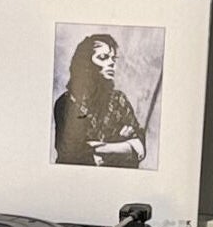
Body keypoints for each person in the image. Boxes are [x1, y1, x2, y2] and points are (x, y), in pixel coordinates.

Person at [52, 33, 147, 168]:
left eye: (113, 59)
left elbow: (140, 147)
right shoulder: (66, 103)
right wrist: (122, 145)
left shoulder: (119, 100)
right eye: (103, 57)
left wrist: (102, 147)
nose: (111, 63)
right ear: (84, 63)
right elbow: (70, 154)